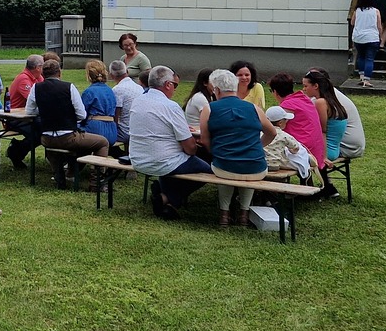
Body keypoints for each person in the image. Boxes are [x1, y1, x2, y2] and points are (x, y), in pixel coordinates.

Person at [128, 66, 209, 219]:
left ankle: (165, 196)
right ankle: (168, 198)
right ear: (168, 84)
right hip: (163, 162)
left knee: (171, 160)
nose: (175, 89)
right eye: (175, 85)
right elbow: (190, 149)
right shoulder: (171, 106)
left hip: (137, 159)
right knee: (207, 170)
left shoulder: (137, 101)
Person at [198, 68, 276, 225]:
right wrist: (258, 146)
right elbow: (272, 133)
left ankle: (224, 213)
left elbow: (205, 140)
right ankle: (244, 214)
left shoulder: (209, 109)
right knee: (247, 169)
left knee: (225, 168)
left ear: (217, 90)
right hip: (257, 168)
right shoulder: (254, 108)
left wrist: (217, 152)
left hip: (224, 167)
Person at [25, 58, 105, 188]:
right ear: (59, 73)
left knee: (55, 147)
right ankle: (97, 182)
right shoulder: (69, 87)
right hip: (68, 137)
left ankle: (60, 174)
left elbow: (29, 111)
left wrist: (45, 110)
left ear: (43, 74)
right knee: (102, 142)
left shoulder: (36, 88)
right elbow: (82, 114)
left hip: (46, 138)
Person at [268, 72, 334, 196]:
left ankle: (272, 193)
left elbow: (276, 130)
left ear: (275, 92)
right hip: (317, 146)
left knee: (271, 151)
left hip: (305, 149)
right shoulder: (303, 98)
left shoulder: (286, 106)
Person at [5, 54, 44, 169]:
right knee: (38, 134)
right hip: (15, 118)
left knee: (44, 131)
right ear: (37, 67)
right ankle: (15, 152)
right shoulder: (23, 79)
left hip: (29, 116)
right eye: (43, 65)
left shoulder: (38, 77)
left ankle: (16, 150)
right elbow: (35, 100)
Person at [302, 68, 348, 161]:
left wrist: (324, 157)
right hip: (334, 150)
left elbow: (321, 131)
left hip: (326, 152)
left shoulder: (320, 102)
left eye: (306, 86)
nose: (304, 89)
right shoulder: (332, 101)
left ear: (316, 86)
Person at [80, 61, 120, 153]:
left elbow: (82, 114)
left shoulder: (89, 92)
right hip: (111, 131)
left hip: (95, 130)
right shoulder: (110, 91)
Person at [350, 0, 383, 87]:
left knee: (361, 56)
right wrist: (380, 36)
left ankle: (361, 76)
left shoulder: (357, 11)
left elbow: (352, 22)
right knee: (369, 58)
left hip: (358, 37)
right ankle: (366, 80)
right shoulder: (376, 11)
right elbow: (379, 26)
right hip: (372, 37)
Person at [108, 60, 143, 146]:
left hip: (125, 132)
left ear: (111, 75)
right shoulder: (139, 88)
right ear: (127, 71)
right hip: (139, 130)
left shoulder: (117, 90)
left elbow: (115, 115)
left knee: (101, 136)